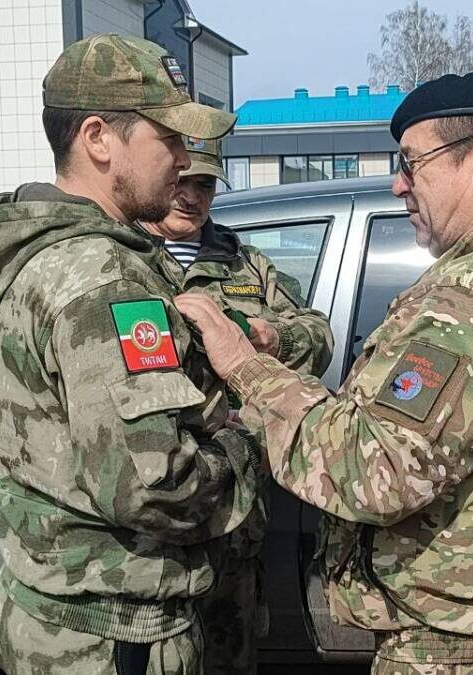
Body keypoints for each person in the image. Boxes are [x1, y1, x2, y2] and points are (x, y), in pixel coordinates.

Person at [175, 73, 473, 674]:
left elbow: (372, 471)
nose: (398, 183)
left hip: (463, 649)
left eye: (412, 163)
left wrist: (246, 368)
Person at [0, 34, 259, 675]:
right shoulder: (103, 280)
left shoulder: (37, 252)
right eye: (170, 138)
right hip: (115, 635)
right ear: (98, 138)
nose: (185, 160)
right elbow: (154, 486)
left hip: (52, 613)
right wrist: (246, 443)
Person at [142, 136, 334, 673]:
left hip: (234, 508)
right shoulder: (128, 263)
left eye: (203, 185)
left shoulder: (245, 263)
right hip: (155, 513)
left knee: (232, 652)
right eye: (181, 182)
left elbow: (318, 332)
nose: (188, 197)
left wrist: (274, 338)